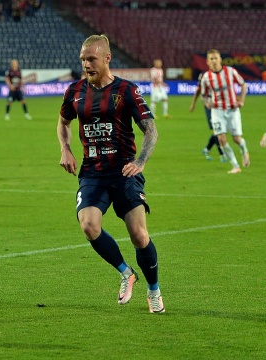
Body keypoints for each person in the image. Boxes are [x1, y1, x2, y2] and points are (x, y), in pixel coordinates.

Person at [57, 35, 164, 313]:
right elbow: (63, 122)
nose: (86, 64)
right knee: (89, 225)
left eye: (91, 59)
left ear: (107, 59)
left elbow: (150, 129)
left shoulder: (126, 90)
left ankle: (154, 291)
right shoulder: (74, 91)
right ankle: (126, 272)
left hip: (124, 171)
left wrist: (140, 160)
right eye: (83, 59)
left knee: (139, 236)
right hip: (92, 172)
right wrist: (65, 149)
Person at [199, 49, 250, 174]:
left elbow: (243, 85)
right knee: (221, 139)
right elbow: (203, 95)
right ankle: (235, 165)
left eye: (216, 58)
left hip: (232, 110)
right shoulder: (206, 77)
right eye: (211, 59)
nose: (214, 61)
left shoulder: (230, 71)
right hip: (217, 111)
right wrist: (207, 103)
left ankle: (244, 151)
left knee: (237, 139)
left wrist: (242, 100)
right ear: (207, 62)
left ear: (220, 59)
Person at [189, 71, 226, 162]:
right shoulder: (203, 76)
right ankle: (222, 154)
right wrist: (193, 104)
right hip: (209, 106)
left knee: (217, 130)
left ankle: (207, 150)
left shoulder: (217, 77)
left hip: (218, 106)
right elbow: (198, 91)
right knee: (216, 130)